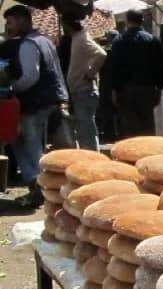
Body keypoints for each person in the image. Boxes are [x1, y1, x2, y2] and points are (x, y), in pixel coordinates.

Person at [3, 5, 69, 207]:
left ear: (23, 20)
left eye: (11, 22)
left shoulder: (29, 44)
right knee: (29, 145)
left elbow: (30, 76)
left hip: (35, 103)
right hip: (52, 100)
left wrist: (10, 88)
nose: (8, 26)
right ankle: (38, 186)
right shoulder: (45, 41)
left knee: (31, 148)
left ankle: (39, 188)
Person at [110, 10, 163, 138]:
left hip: (125, 90)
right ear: (142, 20)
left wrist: (114, 90)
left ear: (127, 21)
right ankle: (148, 154)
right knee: (147, 125)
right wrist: (159, 87)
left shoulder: (118, 41)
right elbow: (162, 66)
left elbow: (113, 68)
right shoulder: (153, 41)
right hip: (147, 89)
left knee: (128, 127)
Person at [63, 17, 106, 151]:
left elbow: (101, 54)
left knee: (86, 127)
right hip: (79, 90)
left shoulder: (82, 38)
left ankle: (91, 155)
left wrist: (90, 73)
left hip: (84, 90)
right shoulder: (77, 38)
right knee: (83, 127)